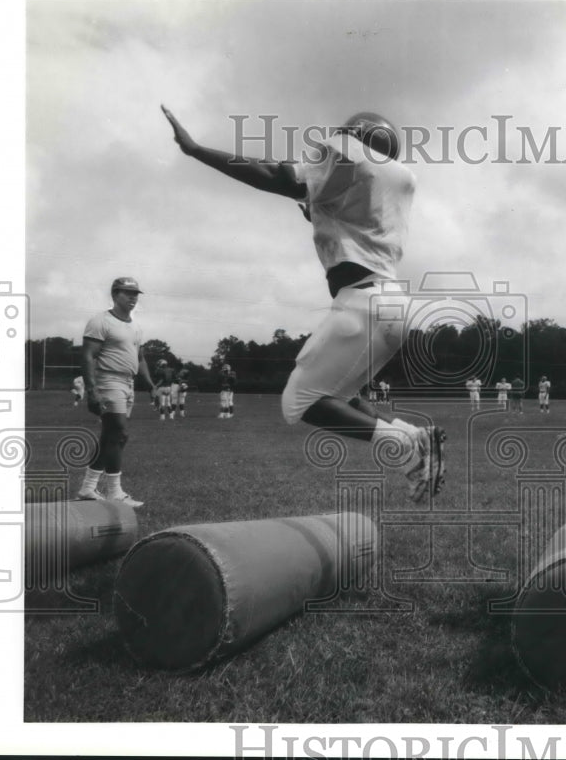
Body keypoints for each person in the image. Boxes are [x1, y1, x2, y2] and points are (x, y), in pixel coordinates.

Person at [162, 106, 446, 501]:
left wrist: (196, 149)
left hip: (361, 303)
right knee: (340, 396)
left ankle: (404, 446)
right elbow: (352, 216)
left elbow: (276, 175)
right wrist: (317, 212)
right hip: (393, 304)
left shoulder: (348, 154)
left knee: (299, 402)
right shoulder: (397, 180)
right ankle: (415, 438)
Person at [75, 277, 156, 507]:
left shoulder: (135, 326)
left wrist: (150, 385)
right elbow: (88, 356)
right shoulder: (101, 321)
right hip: (108, 380)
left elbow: (139, 359)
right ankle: (115, 493)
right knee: (120, 433)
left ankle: (88, 488)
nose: (133, 298)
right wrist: (92, 391)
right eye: (127, 293)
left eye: (136, 294)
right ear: (114, 294)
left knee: (111, 436)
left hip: (127, 383)